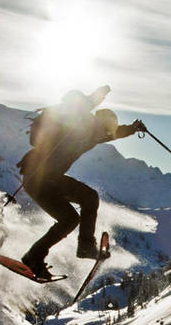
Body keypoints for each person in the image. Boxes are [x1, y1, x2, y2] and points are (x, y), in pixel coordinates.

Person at [18, 86, 145, 279]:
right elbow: (79, 109)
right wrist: (96, 97)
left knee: (70, 218)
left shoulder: (93, 135)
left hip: (46, 181)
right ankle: (84, 246)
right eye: (104, 130)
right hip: (40, 179)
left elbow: (113, 133)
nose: (104, 135)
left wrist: (132, 128)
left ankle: (34, 257)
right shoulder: (80, 128)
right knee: (88, 198)